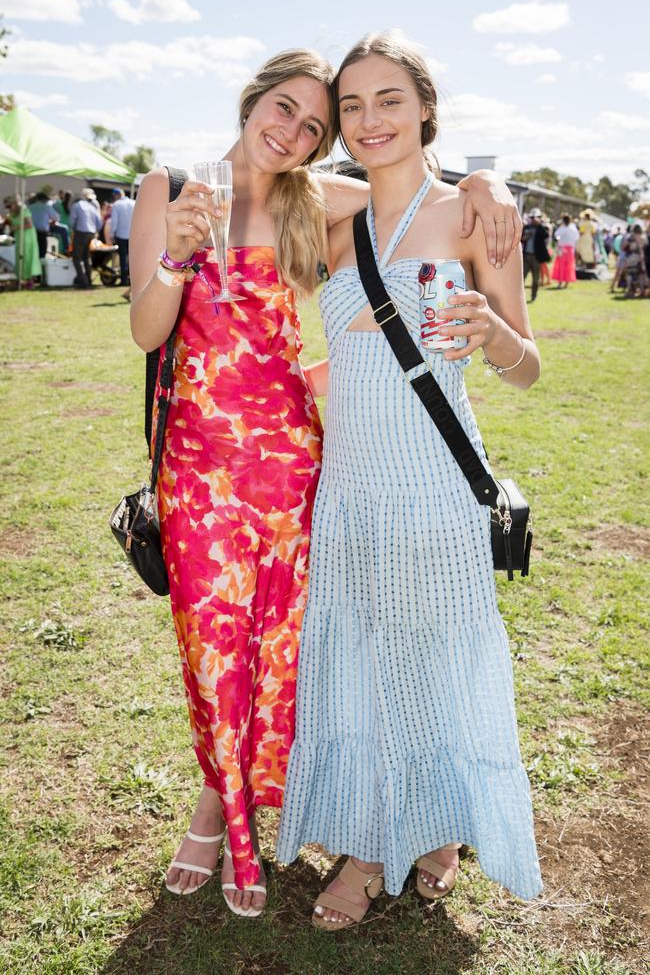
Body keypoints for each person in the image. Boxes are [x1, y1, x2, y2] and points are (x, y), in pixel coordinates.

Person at [129, 47, 523, 919]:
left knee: (340, 658)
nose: (299, 132)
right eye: (293, 110)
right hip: (242, 470)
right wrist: (175, 260)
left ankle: (414, 824)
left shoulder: (315, 198)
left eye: (316, 123)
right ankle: (240, 814)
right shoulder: (189, 192)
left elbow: (411, 182)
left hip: (328, 466)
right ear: (251, 100)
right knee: (256, 657)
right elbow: (146, 331)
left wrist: (490, 190)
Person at [275, 32, 543, 930]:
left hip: (433, 486)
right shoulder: (331, 209)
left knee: (427, 658)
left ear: (426, 106)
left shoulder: (474, 217)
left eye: (388, 99)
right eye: (352, 106)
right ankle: (393, 832)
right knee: (359, 664)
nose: (369, 120)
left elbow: (528, 365)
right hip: (350, 490)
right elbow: (243, 179)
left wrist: (495, 337)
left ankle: (400, 841)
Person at [6, 195, 42, 286]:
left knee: (28, 258)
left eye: (9, 206)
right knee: (19, 257)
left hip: (28, 238)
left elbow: (29, 225)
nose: (8, 208)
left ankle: (30, 281)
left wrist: (17, 227)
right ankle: (21, 279)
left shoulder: (24, 211)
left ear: (15, 204)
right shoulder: (11, 213)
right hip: (19, 238)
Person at [69, 188, 102, 288]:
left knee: (76, 258)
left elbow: (72, 222)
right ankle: (88, 279)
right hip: (91, 233)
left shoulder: (77, 205)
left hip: (80, 233)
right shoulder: (93, 207)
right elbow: (99, 223)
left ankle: (83, 281)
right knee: (86, 257)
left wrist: (73, 230)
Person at [107, 187, 135, 285]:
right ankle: (132, 280)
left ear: (117, 195)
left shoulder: (116, 205)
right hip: (133, 235)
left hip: (121, 235)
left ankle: (124, 280)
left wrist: (111, 234)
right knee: (132, 259)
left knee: (123, 259)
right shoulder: (133, 203)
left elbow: (114, 222)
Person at [521, 208, 549, 302]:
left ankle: (534, 296)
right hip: (526, 256)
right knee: (522, 278)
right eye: (532, 217)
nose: (533, 219)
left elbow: (546, 235)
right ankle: (520, 298)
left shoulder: (542, 227)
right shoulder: (527, 227)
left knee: (535, 279)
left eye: (535, 217)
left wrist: (539, 223)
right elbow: (520, 238)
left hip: (536, 257)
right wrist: (524, 238)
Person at [551, 213, 579, 289]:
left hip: (562, 248)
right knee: (568, 265)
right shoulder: (573, 228)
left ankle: (560, 283)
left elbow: (557, 236)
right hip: (569, 249)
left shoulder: (562, 228)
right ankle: (566, 283)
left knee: (561, 265)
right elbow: (576, 238)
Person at [29, 191, 60, 259]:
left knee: (33, 253)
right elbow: (57, 218)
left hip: (31, 232)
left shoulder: (30, 207)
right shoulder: (47, 207)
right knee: (42, 254)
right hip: (42, 232)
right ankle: (40, 268)